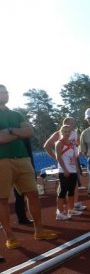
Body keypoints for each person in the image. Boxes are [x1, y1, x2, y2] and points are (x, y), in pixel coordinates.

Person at [0, 84, 57, 250]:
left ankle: (39, 231)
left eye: (6, 91)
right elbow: (1, 139)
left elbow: (29, 132)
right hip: (2, 161)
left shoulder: (17, 114)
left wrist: (8, 131)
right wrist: (17, 131)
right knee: (2, 200)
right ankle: (10, 237)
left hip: (23, 159)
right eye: (1, 92)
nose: (5, 94)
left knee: (33, 194)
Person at [43, 117, 86, 211]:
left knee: (74, 184)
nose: (74, 125)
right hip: (64, 163)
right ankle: (61, 209)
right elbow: (46, 146)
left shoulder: (74, 133)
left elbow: (80, 144)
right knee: (63, 187)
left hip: (73, 161)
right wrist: (56, 157)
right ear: (65, 123)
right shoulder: (58, 134)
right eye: (72, 123)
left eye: (74, 123)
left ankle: (74, 204)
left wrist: (78, 153)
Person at [54, 124, 83, 220]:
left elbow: (74, 156)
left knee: (71, 191)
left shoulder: (71, 143)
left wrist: (77, 168)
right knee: (62, 192)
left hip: (72, 170)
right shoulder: (59, 143)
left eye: (68, 131)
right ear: (61, 132)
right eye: (65, 131)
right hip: (64, 171)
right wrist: (65, 169)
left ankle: (71, 209)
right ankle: (60, 212)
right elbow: (58, 157)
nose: (67, 133)